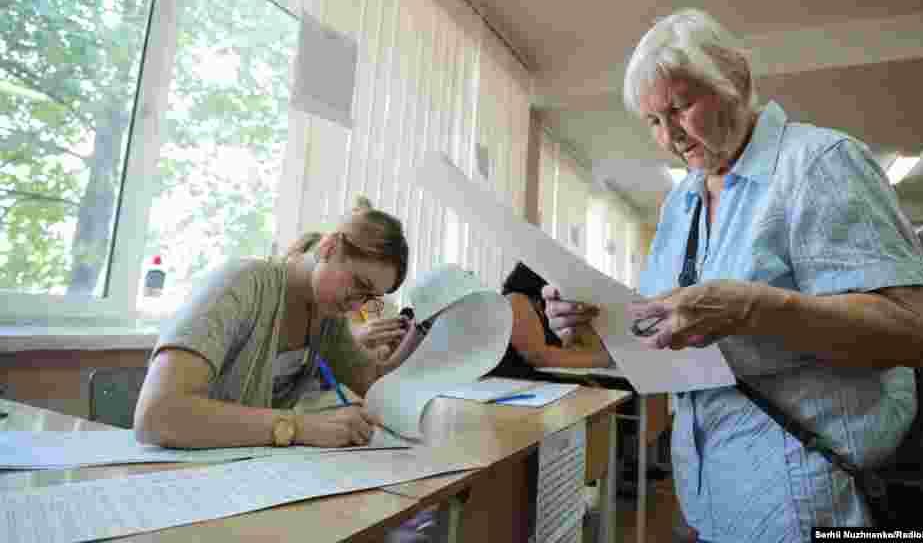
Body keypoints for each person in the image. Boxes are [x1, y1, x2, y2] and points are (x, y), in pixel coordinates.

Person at [541, 9, 923, 540]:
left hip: (814, 492)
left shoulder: (818, 162)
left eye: (680, 108)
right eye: (653, 122)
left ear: (737, 82)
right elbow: (669, 338)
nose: (669, 139)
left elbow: (911, 332)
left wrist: (756, 308)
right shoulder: (682, 200)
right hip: (713, 492)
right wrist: (594, 326)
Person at [134, 198, 418, 449]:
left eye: (369, 297)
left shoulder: (327, 316)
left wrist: (422, 329)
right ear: (330, 247)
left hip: (241, 472)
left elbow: (374, 382)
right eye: (358, 284)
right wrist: (300, 427)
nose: (357, 305)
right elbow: (157, 414)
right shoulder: (242, 284)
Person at [488, 262, 611, 379]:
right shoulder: (514, 299)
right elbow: (541, 357)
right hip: (512, 385)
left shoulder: (554, 312)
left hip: (539, 385)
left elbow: (582, 349)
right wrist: (606, 358)